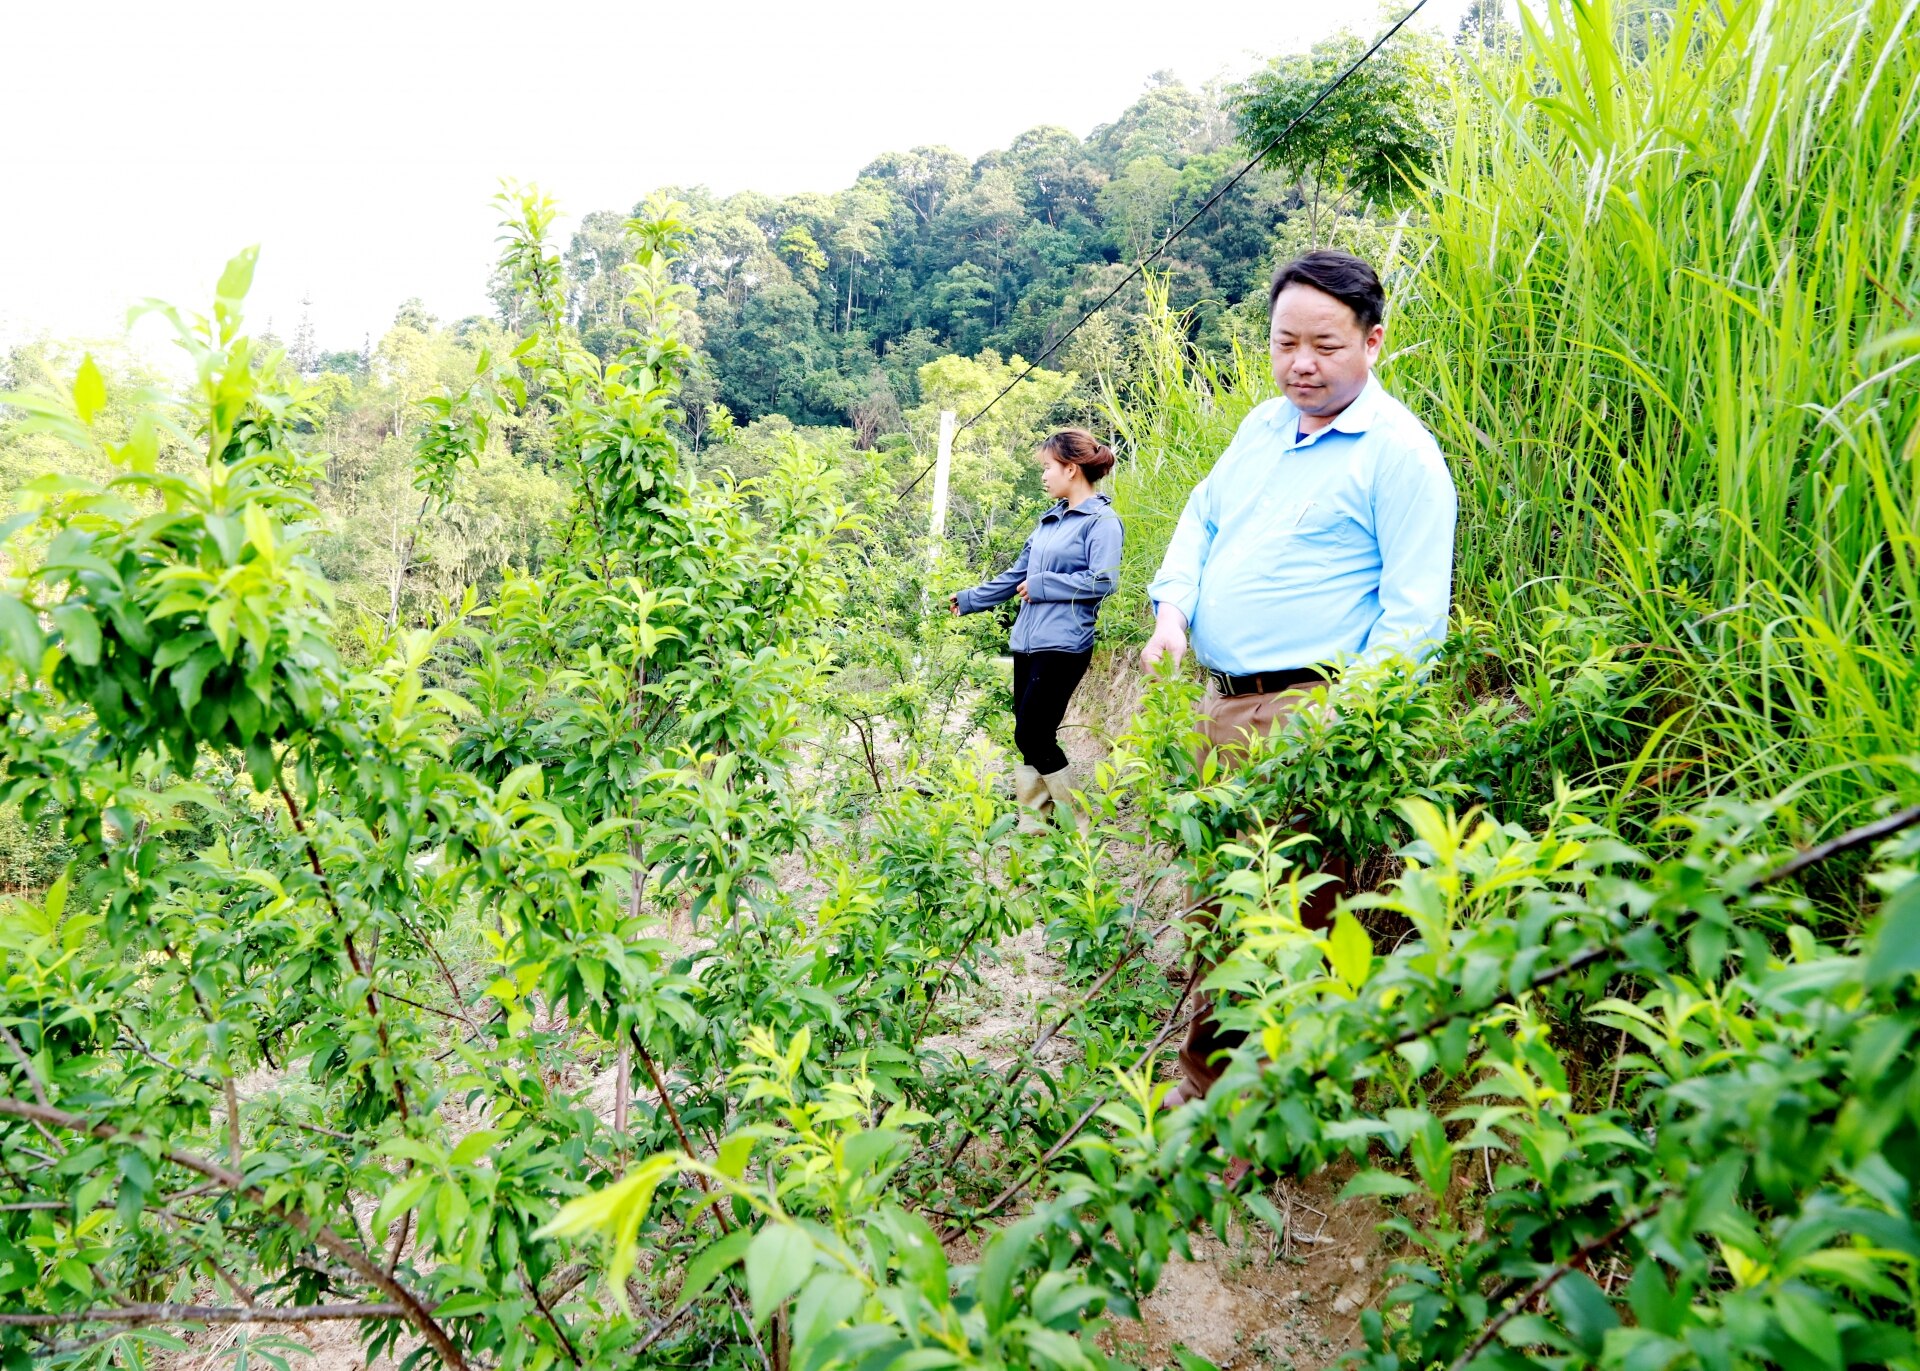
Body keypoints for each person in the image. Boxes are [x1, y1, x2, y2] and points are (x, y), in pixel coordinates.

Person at [1142, 249, 1458, 1106]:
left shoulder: (1400, 455)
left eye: (1325, 344)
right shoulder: (1262, 427)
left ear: (1373, 341)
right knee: (1221, 899)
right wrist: (1173, 612)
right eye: (1286, 343)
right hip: (1226, 701)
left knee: (1280, 915)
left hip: (1308, 709)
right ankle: (1211, 1084)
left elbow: (1414, 619)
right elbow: (1202, 514)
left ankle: (1240, 1106)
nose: (1302, 364)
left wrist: (1335, 731)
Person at [953, 429, 1126, 831]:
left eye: (1048, 468)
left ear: (1071, 468)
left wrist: (1046, 584)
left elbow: (1104, 579)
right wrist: (970, 599)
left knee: (1033, 733)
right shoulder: (1048, 522)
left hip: (1065, 644)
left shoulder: (1102, 521)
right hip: (1029, 641)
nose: (1044, 476)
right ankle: (1035, 826)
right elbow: (1018, 575)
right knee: (1028, 733)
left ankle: (1078, 824)